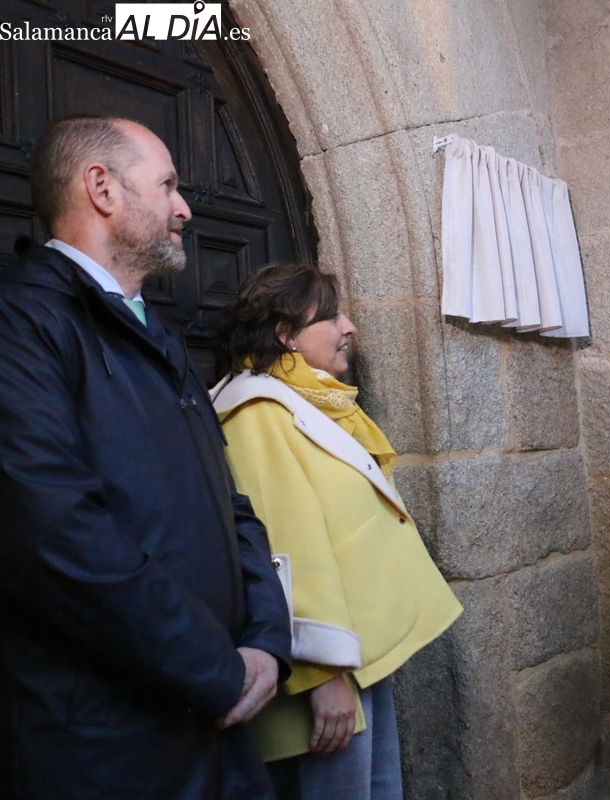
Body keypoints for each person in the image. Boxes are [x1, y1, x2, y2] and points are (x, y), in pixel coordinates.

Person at [0, 116, 291, 798]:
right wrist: (215, 671)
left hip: (219, 724)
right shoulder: (22, 320)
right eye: (167, 185)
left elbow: (230, 504)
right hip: (106, 745)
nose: (184, 208)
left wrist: (266, 642)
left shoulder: (154, 330)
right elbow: (53, 532)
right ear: (101, 187)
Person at [210, 263, 463, 800]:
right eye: (330, 316)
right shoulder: (256, 412)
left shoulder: (304, 402)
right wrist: (324, 678)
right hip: (323, 672)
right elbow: (283, 553)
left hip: (356, 654)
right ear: (285, 333)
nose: (349, 327)